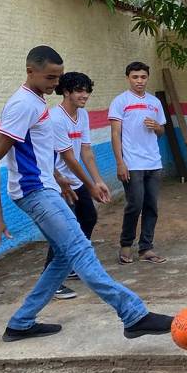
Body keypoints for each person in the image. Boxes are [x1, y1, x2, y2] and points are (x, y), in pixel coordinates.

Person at [0, 45, 173, 342]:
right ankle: (133, 315)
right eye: (50, 77)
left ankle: (21, 323)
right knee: (81, 249)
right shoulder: (23, 104)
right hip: (36, 192)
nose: (56, 83)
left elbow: (37, 153)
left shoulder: (36, 101)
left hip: (45, 187)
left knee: (64, 258)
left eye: (58, 77)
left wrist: (60, 179)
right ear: (30, 71)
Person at [46, 72, 111, 300]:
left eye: (87, 91)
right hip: (57, 181)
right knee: (63, 229)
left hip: (74, 179)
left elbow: (86, 151)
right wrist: (90, 186)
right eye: (79, 91)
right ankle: (52, 281)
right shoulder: (55, 118)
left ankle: (72, 263)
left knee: (89, 218)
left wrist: (98, 181)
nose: (85, 95)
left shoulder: (82, 115)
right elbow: (69, 158)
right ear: (66, 92)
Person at [109, 61, 167, 264]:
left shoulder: (154, 102)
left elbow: (161, 131)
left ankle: (146, 248)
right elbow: (115, 134)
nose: (139, 81)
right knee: (135, 205)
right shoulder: (120, 101)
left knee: (151, 206)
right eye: (135, 77)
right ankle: (126, 246)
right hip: (132, 163)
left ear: (147, 78)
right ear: (128, 78)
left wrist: (157, 126)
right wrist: (120, 162)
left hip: (153, 162)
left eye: (143, 77)